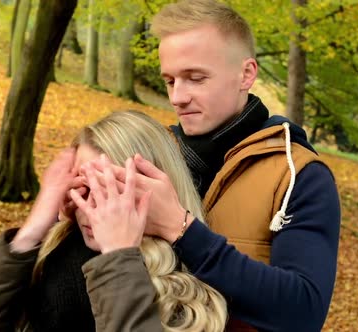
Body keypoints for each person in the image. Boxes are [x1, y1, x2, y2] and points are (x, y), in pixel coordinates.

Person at [87, 1, 341, 331]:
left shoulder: (300, 175)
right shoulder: (150, 156)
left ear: (246, 74)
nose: (177, 97)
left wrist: (181, 230)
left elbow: (303, 312)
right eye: (170, 80)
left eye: (195, 78)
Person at [0, 111, 227, 332]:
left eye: (111, 191)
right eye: (81, 186)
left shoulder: (187, 284)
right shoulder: (50, 254)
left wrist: (118, 256)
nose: (90, 207)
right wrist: (29, 235)